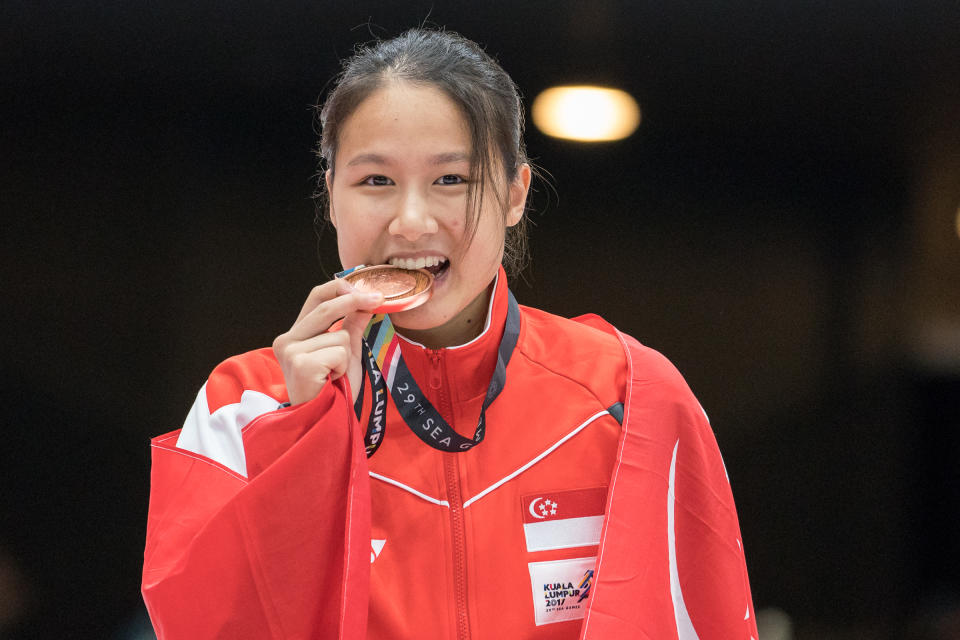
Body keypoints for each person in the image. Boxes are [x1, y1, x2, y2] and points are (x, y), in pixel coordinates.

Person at [142, 28, 758, 640]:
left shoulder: (632, 398)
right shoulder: (241, 409)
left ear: (516, 193)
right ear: (330, 196)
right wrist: (301, 440)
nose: (411, 223)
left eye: (452, 180)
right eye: (375, 181)